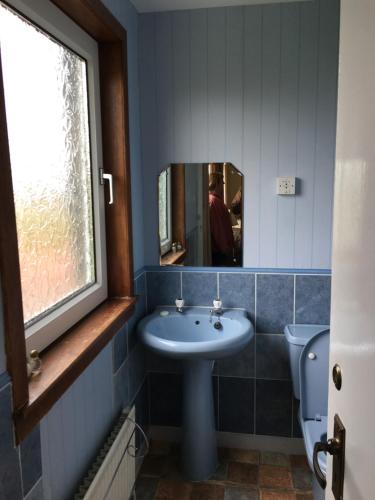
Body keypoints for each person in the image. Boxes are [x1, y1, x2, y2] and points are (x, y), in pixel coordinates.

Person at [208, 172, 235, 266]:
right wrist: (226, 250)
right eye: (222, 183)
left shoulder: (215, 200)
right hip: (220, 253)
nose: (223, 186)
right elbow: (218, 229)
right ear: (217, 183)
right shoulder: (215, 202)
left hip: (220, 250)